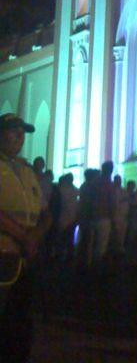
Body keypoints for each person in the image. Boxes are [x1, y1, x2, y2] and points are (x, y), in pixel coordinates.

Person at [0, 113, 51, 363]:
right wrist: (23, 235)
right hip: (4, 254)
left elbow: (45, 213)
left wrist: (36, 236)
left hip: (27, 260)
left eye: (23, 132)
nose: (20, 136)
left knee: (21, 321)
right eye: (13, 130)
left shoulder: (27, 171)